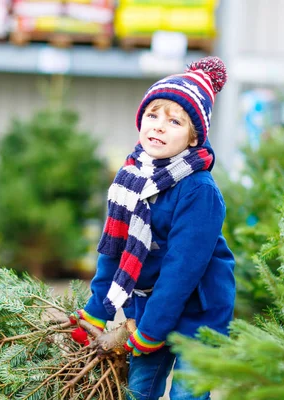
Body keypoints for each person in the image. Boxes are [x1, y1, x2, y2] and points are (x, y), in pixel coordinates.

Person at [70, 56, 236, 400]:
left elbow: (182, 270)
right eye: (152, 115)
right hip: (148, 309)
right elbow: (113, 250)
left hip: (198, 315)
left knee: (188, 394)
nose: (159, 126)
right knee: (138, 391)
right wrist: (96, 311)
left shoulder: (199, 190)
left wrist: (152, 330)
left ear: (194, 138)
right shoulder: (131, 179)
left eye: (174, 121)